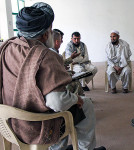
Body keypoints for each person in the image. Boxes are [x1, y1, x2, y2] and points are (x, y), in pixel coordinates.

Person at [0, 2, 105, 150]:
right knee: (84, 104)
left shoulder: (6, 47)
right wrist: (77, 99)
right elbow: (57, 102)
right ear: (45, 34)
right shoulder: (46, 55)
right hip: (33, 128)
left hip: (8, 122)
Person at [50, 29, 84, 96]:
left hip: (57, 78)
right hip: (55, 81)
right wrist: (67, 72)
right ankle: (77, 100)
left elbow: (60, 64)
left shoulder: (53, 51)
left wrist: (71, 58)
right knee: (75, 82)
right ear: (57, 41)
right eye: (61, 39)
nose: (62, 41)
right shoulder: (52, 53)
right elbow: (56, 71)